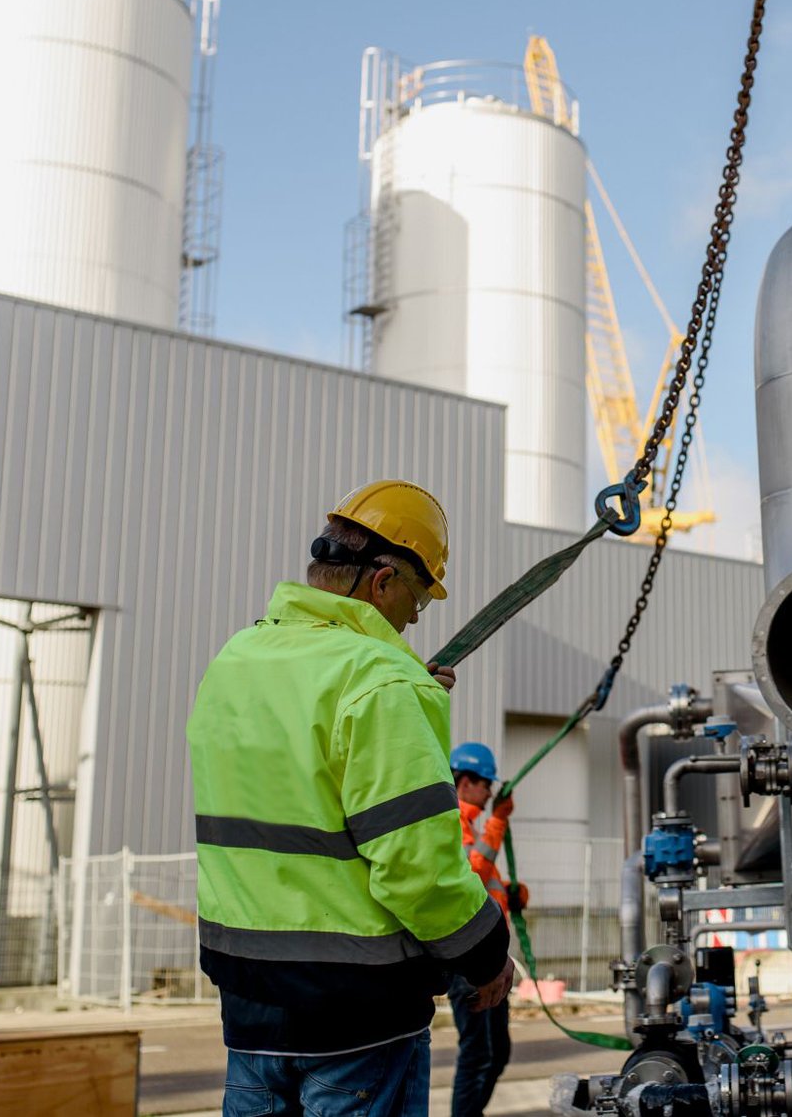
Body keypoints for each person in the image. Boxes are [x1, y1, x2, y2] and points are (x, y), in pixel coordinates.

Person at [189, 479, 513, 1117]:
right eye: (417, 598)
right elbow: (418, 871)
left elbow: (301, 777)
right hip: (358, 1017)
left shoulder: (237, 658)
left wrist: (400, 693)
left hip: (250, 1002)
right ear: (383, 581)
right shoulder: (382, 683)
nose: (416, 618)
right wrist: (486, 955)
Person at [447, 741, 520, 1117]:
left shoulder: (471, 826)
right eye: (485, 783)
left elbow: (485, 886)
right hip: (469, 962)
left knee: (496, 1054)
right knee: (478, 1055)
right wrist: (499, 821)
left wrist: (510, 894)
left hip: (490, 958)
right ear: (465, 781)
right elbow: (471, 875)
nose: (490, 791)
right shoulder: (450, 821)